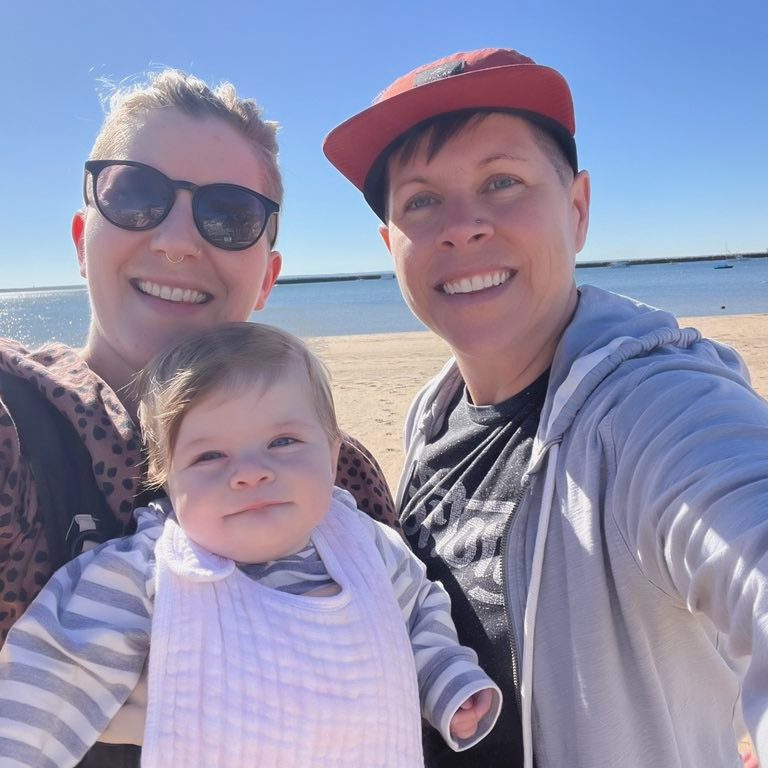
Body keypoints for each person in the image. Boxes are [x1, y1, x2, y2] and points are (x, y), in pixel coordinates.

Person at [323, 47, 768, 767]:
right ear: (390, 243)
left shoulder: (653, 406)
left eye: (502, 182)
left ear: (578, 208)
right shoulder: (428, 415)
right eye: (422, 201)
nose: (461, 226)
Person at [0, 70, 395, 764]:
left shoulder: (340, 476)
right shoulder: (18, 426)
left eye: (228, 214)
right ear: (80, 236)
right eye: (136, 196)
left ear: (267, 277)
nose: (179, 240)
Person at [0, 322, 502, 767]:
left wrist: (448, 682)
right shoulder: (149, 571)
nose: (251, 472)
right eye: (210, 456)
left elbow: (419, 614)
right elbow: (57, 668)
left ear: (332, 456)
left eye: (283, 442)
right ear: (167, 480)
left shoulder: (365, 545)